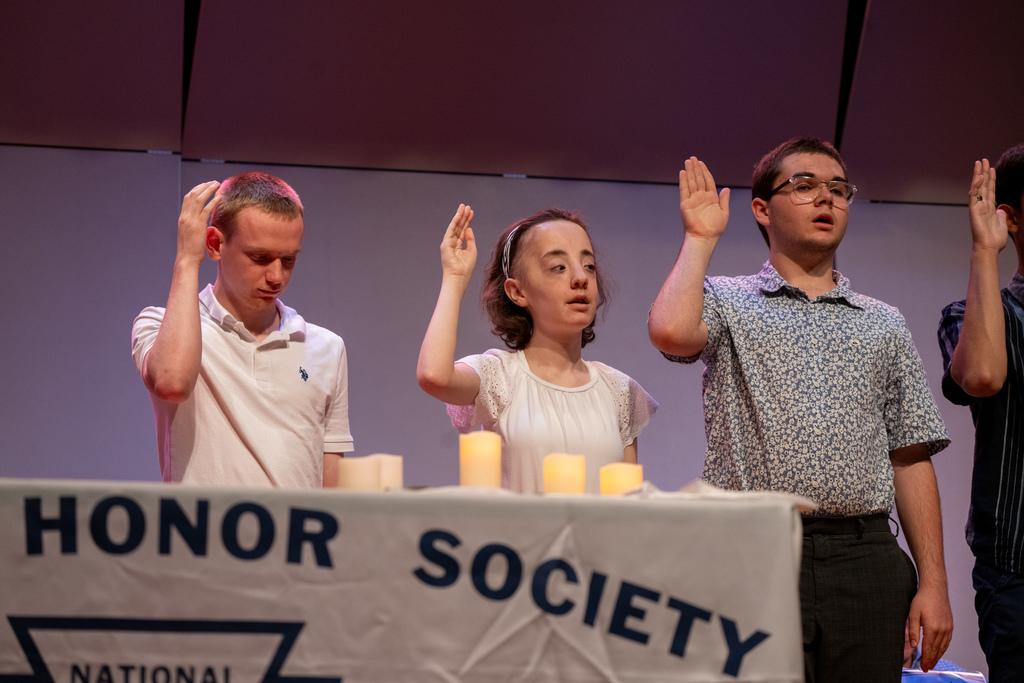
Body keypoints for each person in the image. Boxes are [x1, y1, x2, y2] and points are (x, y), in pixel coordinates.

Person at [647, 138, 953, 682]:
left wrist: (934, 583)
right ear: (762, 209)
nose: (826, 200)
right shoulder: (726, 298)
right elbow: (670, 331)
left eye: (839, 189)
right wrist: (699, 239)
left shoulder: (881, 321)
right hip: (753, 550)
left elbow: (910, 456)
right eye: (805, 186)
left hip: (865, 558)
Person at [131, 172, 353, 488]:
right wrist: (186, 260)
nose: (277, 276)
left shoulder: (326, 347)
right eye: (260, 258)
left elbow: (333, 485)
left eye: (288, 260)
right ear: (214, 244)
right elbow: (173, 383)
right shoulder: (159, 324)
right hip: (202, 536)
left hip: (297, 536)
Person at [417, 205, 657, 493]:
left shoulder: (619, 391)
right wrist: (455, 278)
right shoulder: (500, 376)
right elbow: (434, 376)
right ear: (518, 292)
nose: (580, 278)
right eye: (559, 267)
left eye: (589, 266)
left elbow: (629, 507)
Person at [938, 145, 1024, 683]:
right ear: (1010, 217)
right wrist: (984, 253)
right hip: (1017, 571)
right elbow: (982, 378)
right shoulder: (969, 317)